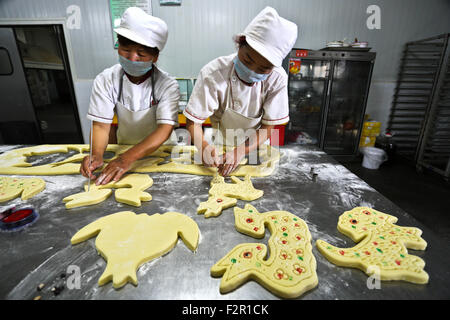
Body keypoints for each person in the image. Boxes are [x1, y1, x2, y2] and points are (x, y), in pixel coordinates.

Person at [184, 7, 297, 176]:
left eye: (263, 68)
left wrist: (240, 152)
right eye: (247, 59)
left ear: (273, 67)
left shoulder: (277, 78)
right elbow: (193, 121)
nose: (252, 70)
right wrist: (204, 148)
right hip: (220, 145)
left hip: (256, 147)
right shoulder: (214, 73)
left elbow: (268, 126)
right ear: (239, 44)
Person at [80, 7, 180, 185]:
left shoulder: (167, 85)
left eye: (141, 54)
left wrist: (127, 159)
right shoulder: (106, 80)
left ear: (155, 56)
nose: (132, 58)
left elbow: (164, 129)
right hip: (124, 148)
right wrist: (96, 154)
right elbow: (101, 126)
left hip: (160, 152)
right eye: (126, 50)